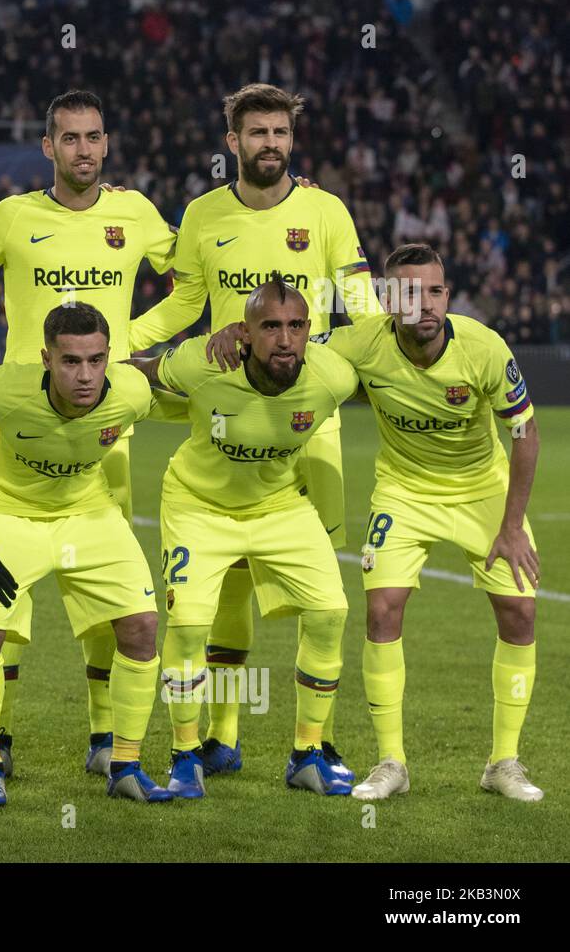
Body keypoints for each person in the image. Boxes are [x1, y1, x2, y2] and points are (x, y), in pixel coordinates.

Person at [209, 244, 541, 801]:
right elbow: (288, 345)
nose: (425, 304)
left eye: (435, 291)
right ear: (388, 300)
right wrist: (234, 332)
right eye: (410, 292)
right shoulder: (359, 343)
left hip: (482, 489)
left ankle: (503, 763)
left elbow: (525, 435)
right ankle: (392, 762)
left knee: (520, 609)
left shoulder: (484, 348)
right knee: (382, 609)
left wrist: (511, 527)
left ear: (447, 296)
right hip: (403, 491)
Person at [128, 83, 383, 779]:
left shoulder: (326, 211)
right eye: (257, 133)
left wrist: (369, 349)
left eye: (280, 132)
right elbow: (184, 300)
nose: (270, 143)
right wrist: (118, 343)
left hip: (308, 423)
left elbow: (359, 302)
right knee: (229, 581)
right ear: (232, 142)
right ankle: (222, 735)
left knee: (319, 595)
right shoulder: (203, 214)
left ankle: (313, 740)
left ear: (291, 139)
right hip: (232, 405)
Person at [0, 89, 179, 777]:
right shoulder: (13, 217)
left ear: (107, 144)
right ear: (48, 147)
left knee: (106, 600)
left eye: (94, 137)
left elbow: (192, 277)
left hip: (105, 423)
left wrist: (136, 340)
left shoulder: (135, 213)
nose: (83, 149)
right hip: (25, 415)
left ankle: (106, 737)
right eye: (69, 138)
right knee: (4, 598)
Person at [129, 275, 359, 797]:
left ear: (309, 331)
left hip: (279, 505)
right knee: (187, 626)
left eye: (296, 326)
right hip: (198, 505)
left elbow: (385, 356)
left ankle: (307, 753)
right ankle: (185, 756)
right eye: (270, 327)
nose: (284, 339)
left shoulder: (333, 377)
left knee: (330, 611)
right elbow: (134, 374)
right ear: (245, 332)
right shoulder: (203, 363)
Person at [0, 302, 170, 807]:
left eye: (95, 360)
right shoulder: (6, 386)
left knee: (141, 626)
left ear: (110, 357)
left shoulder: (131, 392)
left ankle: (126, 764)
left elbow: (182, 404)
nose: (85, 374)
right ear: (47, 359)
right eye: (71, 361)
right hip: (10, 512)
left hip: (90, 513)